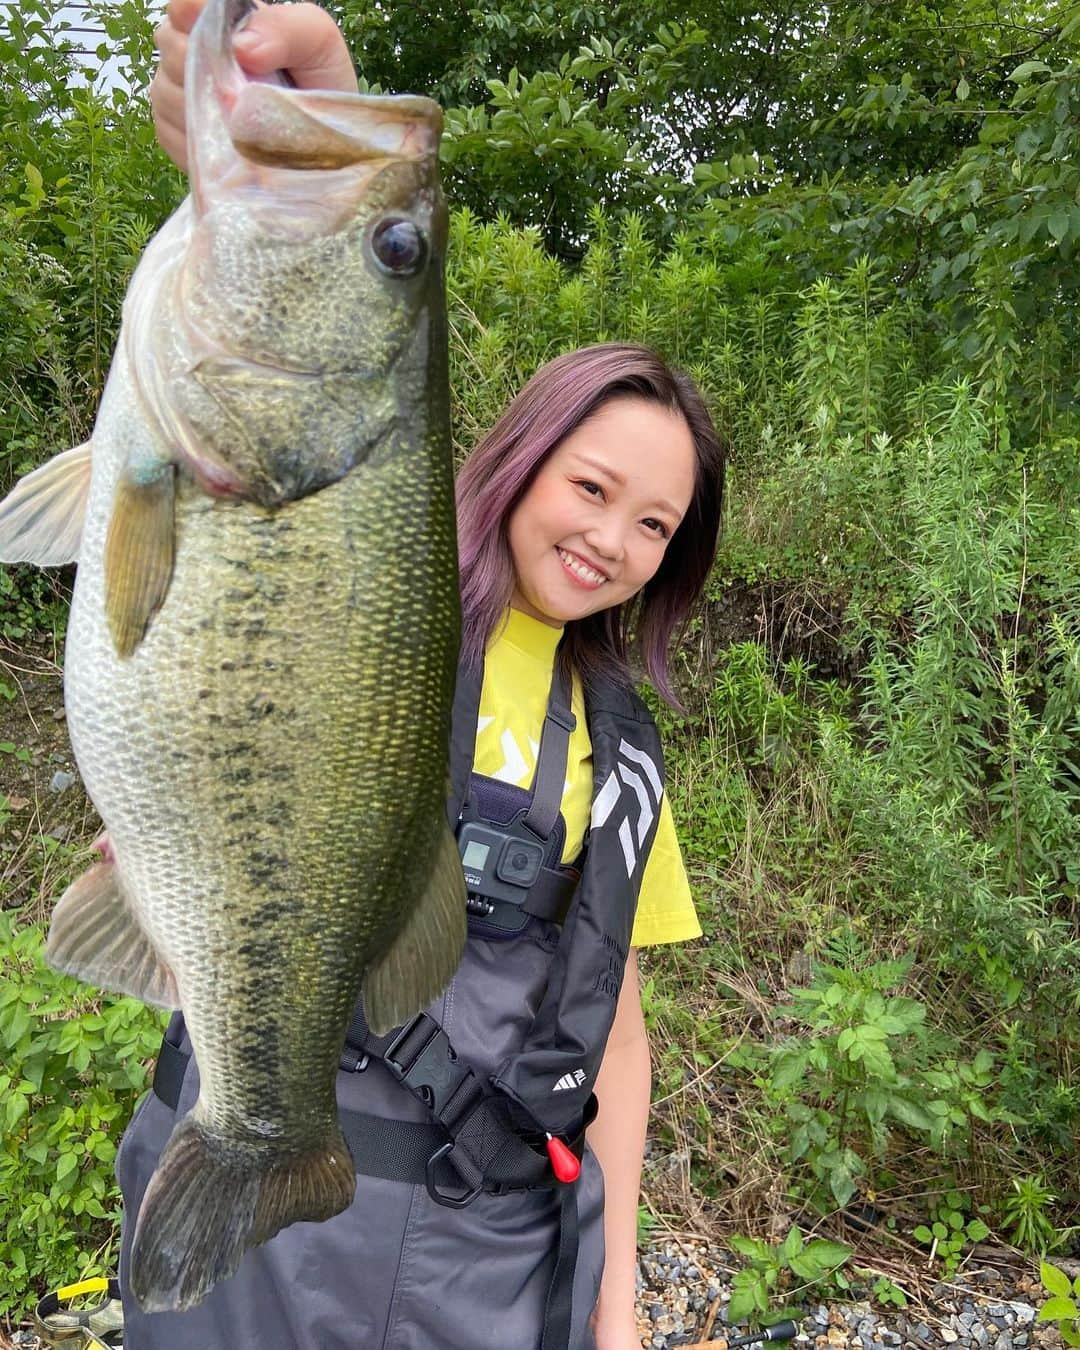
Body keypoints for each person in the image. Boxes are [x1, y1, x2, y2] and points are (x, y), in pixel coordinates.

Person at [119, 6, 726, 1349]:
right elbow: (295, 317)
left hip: (485, 1250)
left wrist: (618, 1299)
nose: (612, 538)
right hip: (258, 1225)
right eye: (593, 486)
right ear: (517, 457)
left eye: (656, 525)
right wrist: (310, 113)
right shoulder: (375, 605)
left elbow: (617, 1041)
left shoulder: (618, 756)